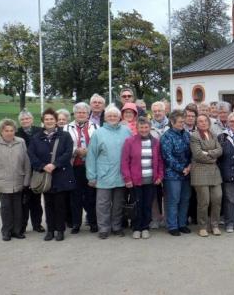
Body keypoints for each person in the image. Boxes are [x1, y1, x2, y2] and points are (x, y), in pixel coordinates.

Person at [28, 108, 75, 241]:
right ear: (43, 121)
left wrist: (55, 164)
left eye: (51, 119)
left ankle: (60, 230)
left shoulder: (65, 136)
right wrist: (43, 166)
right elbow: (31, 154)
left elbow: (68, 152)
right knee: (48, 204)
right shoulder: (36, 137)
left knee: (60, 204)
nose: (49, 121)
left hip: (60, 174)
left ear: (56, 121)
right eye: (46, 119)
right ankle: (50, 230)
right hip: (45, 176)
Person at [86, 105, 132, 239]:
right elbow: (91, 156)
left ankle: (116, 227)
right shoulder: (98, 133)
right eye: (109, 116)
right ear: (105, 118)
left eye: (115, 116)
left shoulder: (126, 131)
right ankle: (104, 229)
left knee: (118, 204)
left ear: (119, 117)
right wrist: (91, 176)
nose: (112, 118)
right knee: (102, 204)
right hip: (103, 175)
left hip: (121, 175)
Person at [0, 119, 31, 241]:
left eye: (12, 130)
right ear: (1, 131)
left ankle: (17, 231)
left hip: (18, 180)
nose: (9, 133)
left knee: (18, 207)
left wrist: (27, 179)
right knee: (6, 207)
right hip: (2, 181)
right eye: (6, 130)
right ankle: (6, 231)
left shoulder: (21, 142)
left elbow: (26, 162)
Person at [122, 117, 164, 240]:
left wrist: (160, 176)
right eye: (141, 127)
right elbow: (125, 162)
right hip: (135, 181)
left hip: (151, 180)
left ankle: (145, 227)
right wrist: (127, 179)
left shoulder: (156, 142)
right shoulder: (129, 141)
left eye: (146, 127)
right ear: (137, 128)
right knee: (137, 205)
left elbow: (160, 161)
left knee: (147, 205)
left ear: (150, 128)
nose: (144, 130)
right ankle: (136, 228)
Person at [64, 102, 99, 234]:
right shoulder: (67, 127)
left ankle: (93, 222)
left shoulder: (95, 126)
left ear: (88, 114)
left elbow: (99, 144)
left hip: (90, 166)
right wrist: (76, 150)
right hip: (74, 166)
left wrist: (88, 150)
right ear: (75, 114)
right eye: (78, 112)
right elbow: (65, 146)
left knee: (91, 196)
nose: (81, 114)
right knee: (75, 196)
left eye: (84, 112)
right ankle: (76, 223)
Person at [189, 114, 224, 236]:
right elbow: (198, 154)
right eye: (200, 121)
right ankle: (202, 226)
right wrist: (213, 157)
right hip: (200, 172)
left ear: (208, 122)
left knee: (217, 198)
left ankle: (215, 225)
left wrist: (208, 153)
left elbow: (220, 150)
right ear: (197, 124)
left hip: (214, 173)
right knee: (204, 201)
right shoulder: (194, 136)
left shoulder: (213, 134)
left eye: (205, 121)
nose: (203, 123)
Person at [160, 110, 193, 236]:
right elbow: (167, 157)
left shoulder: (186, 135)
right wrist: (181, 169)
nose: (182, 124)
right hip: (172, 174)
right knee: (173, 200)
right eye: (180, 122)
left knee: (185, 199)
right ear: (172, 122)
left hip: (187, 173)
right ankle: (173, 226)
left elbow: (191, 152)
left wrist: (189, 166)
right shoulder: (167, 136)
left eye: (183, 122)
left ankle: (182, 223)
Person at [16, 110, 44, 234]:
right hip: (23, 170)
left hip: (37, 169)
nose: (25, 121)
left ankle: (37, 224)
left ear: (32, 120)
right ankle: (22, 225)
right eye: (22, 119)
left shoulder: (40, 131)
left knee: (36, 200)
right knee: (24, 200)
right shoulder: (17, 133)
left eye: (27, 119)